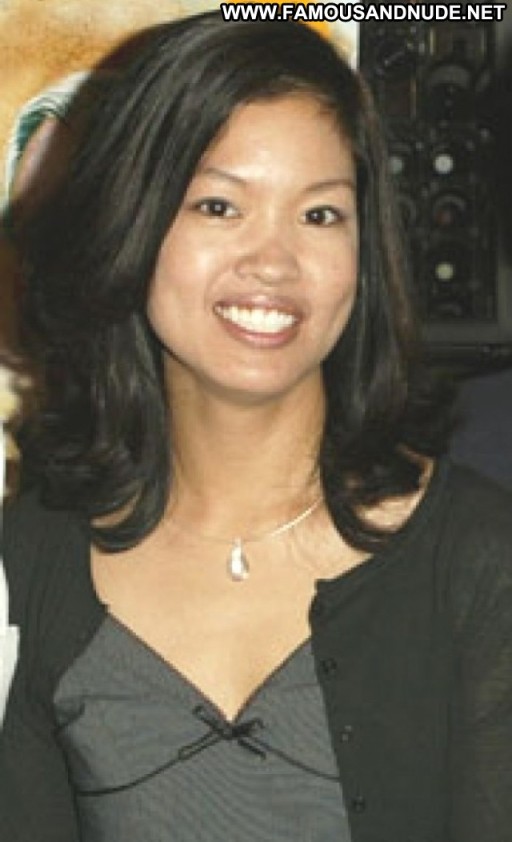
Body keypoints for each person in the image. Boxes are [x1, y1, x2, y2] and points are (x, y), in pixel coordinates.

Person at [1, 11, 511, 842]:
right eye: (218, 205)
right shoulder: (29, 562)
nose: (273, 263)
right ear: (133, 223)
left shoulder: (480, 560)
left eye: (320, 215)